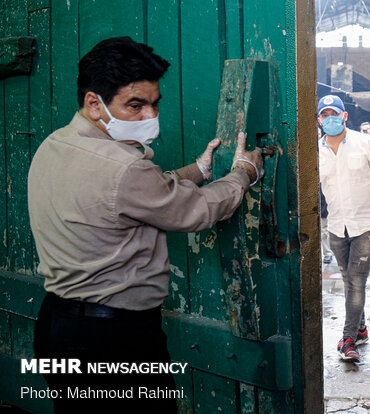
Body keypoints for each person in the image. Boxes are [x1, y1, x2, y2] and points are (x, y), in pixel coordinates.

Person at [28, 36, 263, 413]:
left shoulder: (55, 145)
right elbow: (196, 211)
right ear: (94, 103)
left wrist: (197, 171)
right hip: (114, 340)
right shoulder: (123, 168)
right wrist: (242, 174)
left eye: (154, 104)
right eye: (135, 105)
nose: (149, 117)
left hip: (57, 326)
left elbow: (124, 198)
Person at [317, 95, 370, 363]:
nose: (329, 118)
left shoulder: (366, 143)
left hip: (366, 225)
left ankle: (348, 339)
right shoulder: (317, 152)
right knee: (350, 282)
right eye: (324, 115)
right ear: (319, 119)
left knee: (356, 282)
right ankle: (361, 328)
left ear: (344, 116)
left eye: (334, 113)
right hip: (337, 227)